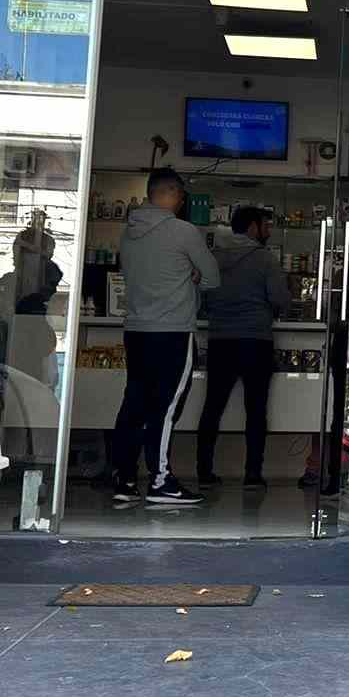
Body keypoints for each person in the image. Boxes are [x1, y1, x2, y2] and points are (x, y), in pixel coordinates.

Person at [108, 168, 218, 506]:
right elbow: (212, 277)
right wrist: (193, 276)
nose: (182, 204)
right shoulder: (183, 231)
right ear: (174, 194)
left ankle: (124, 479)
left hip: (136, 330)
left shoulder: (128, 233)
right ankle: (160, 481)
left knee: (134, 403)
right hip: (173, 331)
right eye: (182, 197)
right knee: (167, 406)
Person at [196, 205, 289, 490]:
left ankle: (204, 472)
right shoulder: (266, 259)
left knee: (212, 406)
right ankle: (253, 475)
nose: (268, 230)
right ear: (252, 227)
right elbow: (280, 298)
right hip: (255, 341)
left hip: (220, 340)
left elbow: (203, 299)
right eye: (265, 225)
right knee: (256, 410)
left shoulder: (213, 258)